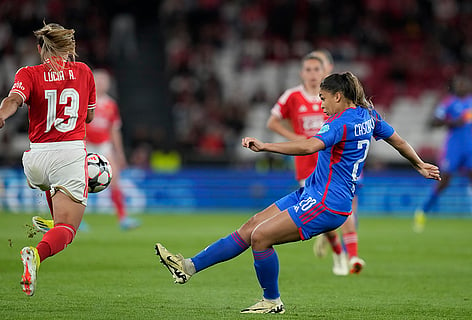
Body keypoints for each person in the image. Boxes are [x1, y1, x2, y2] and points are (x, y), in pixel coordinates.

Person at [155, 72, 441, 314]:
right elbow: (398, 140)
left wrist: (265, 146)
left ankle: (272, 300)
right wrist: (418, 165)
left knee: (261, 237)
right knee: (252, 225)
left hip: (327, 203)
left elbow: (307, 147)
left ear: (338, 97)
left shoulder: (341, 122)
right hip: (312, 192)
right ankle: (188, 266)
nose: (321, 104)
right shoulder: (368, 115)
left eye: (323, 98)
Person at [0, 22, 96, 296]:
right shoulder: (84, 71)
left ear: (40, 50)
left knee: (52, 188)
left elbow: (14, 99)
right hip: (69, 154)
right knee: (68, 229)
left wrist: (2, 113)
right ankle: (35, 255)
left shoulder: (28, 73)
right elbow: (89, 116)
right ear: (67, 49)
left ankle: (53, 220)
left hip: (35, 160)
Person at [266, 49, 363, 275]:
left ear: (325, 71)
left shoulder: (333, 98)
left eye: (316, 69)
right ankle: (338, 252)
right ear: (301, 73)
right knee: (322, 215)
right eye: (308, 70)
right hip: (306, 162)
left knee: (347, 206)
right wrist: (295, 138)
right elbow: (273, 122)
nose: (312, 74)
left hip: (335, 162)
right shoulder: (292, 96)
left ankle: (353, 255)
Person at [32, 69, 140, 230]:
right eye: (99, 80)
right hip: (85, 144)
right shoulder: (82, 99)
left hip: (104, 145)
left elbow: (114, 130)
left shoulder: (111, 105)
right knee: (76, 182)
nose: (102, 84)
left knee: (115, 179)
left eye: (105, 81)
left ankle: (122, 218)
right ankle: (74, 217)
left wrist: (120, 153)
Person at [414, 74, 472, 232]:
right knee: (444, 180)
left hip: (470, 147)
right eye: (459, 84)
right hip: (454, 147)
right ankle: (422, 211)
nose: (462, 86)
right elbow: (434, 122)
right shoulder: (448, 103)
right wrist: (453, 122)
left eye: (464, 83)